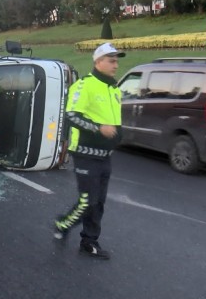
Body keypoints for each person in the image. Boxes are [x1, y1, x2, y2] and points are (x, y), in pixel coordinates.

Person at [52, 42, 124, 260]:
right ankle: (62, 223)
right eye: (111, 60)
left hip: (105, 156)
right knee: (88, 201)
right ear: (98, 62)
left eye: (116, 60)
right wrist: (99, 129)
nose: (116, 65)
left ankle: (89, 242)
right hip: (85, 153)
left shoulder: (114, 88)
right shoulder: (85, 85)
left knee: (99, 202)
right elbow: (71, 115)